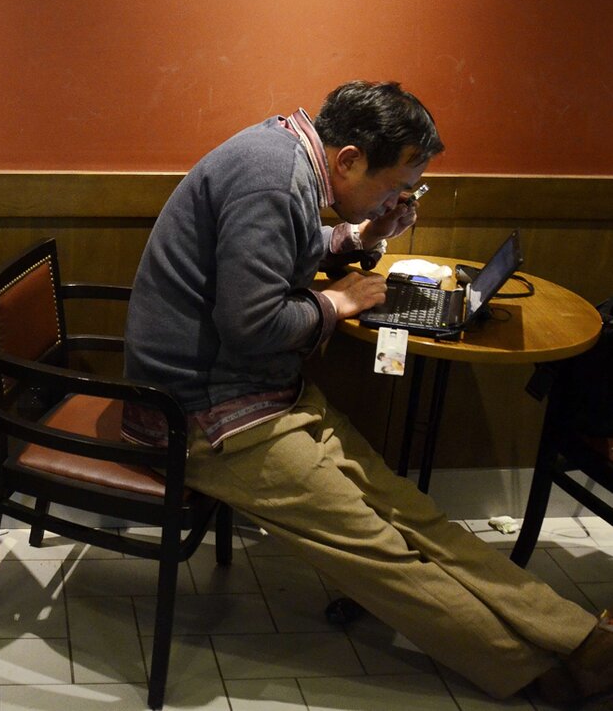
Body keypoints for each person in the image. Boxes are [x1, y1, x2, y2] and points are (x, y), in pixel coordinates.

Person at [122, 81, 613, 705]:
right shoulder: (270, 177)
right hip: (202, 414)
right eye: (393, 187)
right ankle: (537, 672)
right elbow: (251, 325)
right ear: (350, 158)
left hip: (260, 393)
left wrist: (359, 235)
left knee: (410, 514)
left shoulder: (287, 157)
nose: (396, 200)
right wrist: (338, 301)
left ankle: (579, 638)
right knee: (376, 548)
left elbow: (287, 251)